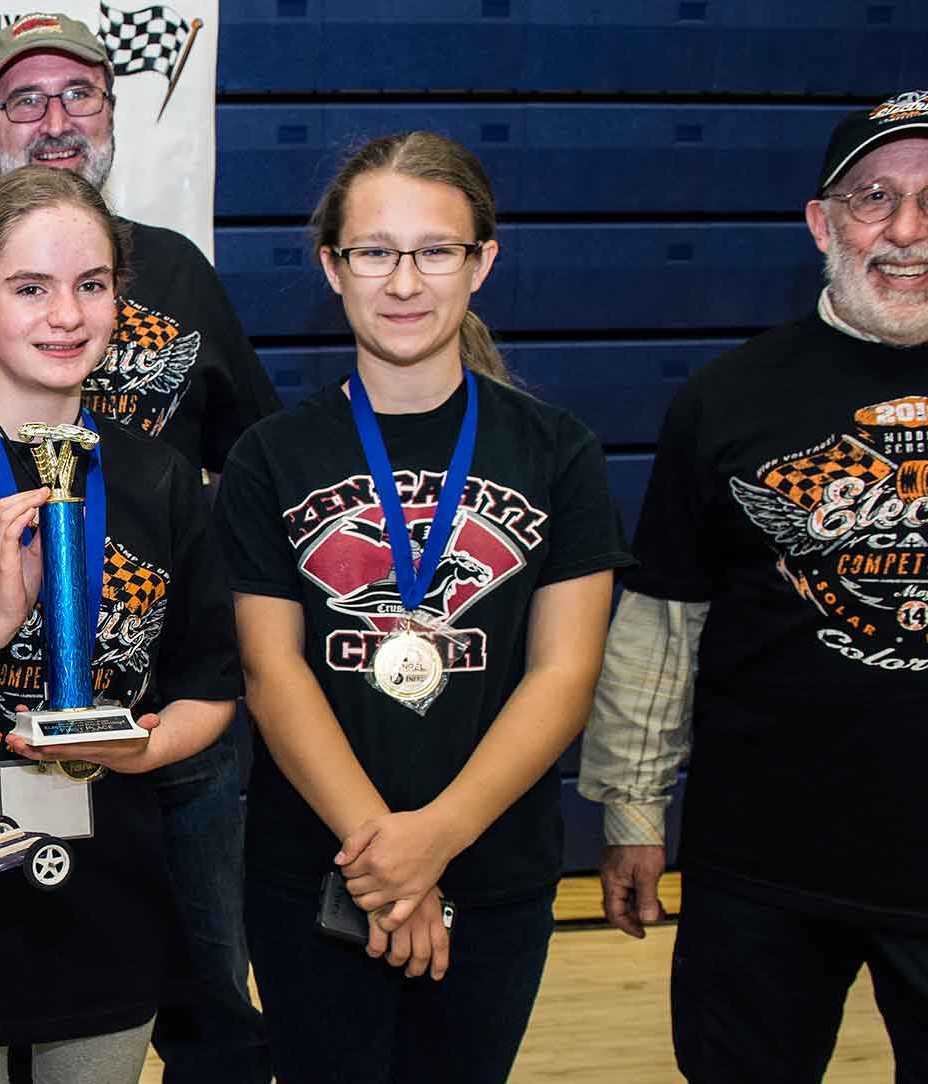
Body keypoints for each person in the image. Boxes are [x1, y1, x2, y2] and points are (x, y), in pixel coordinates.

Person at [0, 16, 276, 1078]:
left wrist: (128, 744)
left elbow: (206, 688)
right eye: (31, 288)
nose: (65, 312)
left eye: (91, 286)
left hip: (114, 882)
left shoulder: (161, 478)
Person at [213, 132, 630, 1083]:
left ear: (483, 262)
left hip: (493, 870)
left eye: (436, 250)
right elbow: (271, 672)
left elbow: (565, 672)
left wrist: (434, 839)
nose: (405, 281)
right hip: (314, 872)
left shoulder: (558, 451)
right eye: (375, 251)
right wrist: (387, 868)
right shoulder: (269, 458)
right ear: (333, 266)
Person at [579, 91, 928, 1082]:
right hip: (764, 868)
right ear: (824, 223)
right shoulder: (728, 398)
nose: (907, 231)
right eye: (875, 198)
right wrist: (633, 812)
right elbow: (660, 628)